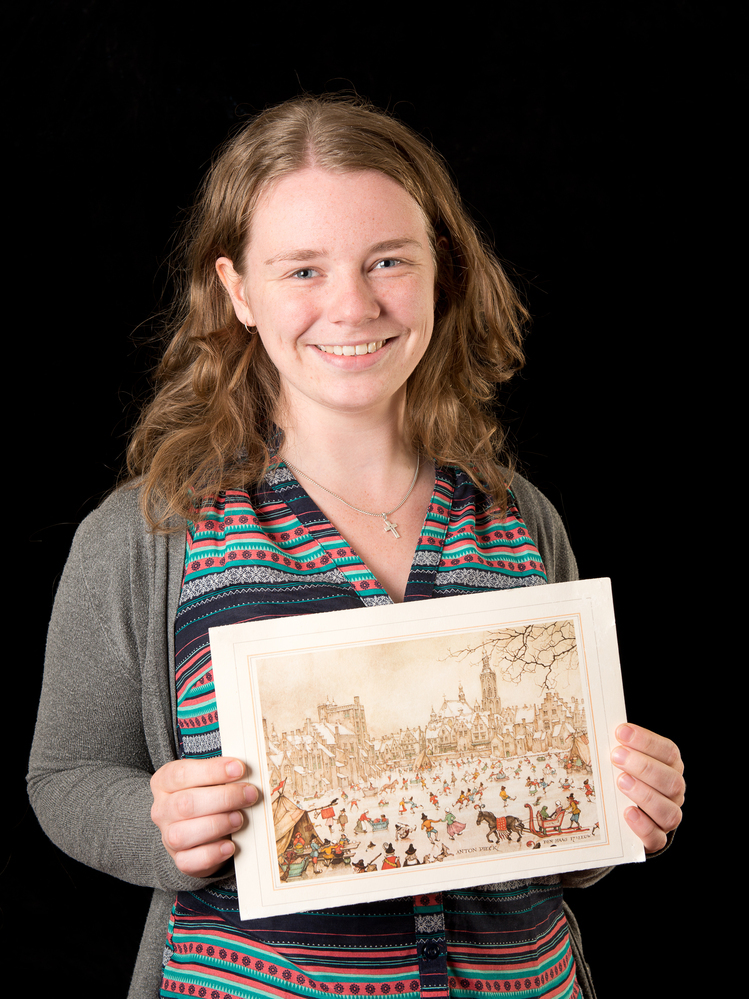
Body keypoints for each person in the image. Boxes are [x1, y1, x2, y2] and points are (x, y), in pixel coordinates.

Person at [27, 94, 684, 999]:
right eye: (302, 269)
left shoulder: (520, 517)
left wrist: (621, 811)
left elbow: (569, 847)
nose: (352, 304)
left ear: (441, 272)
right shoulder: (149, 532)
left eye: (388, 260)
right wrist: (157, 823)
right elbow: (63, 775)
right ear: (238, 291)